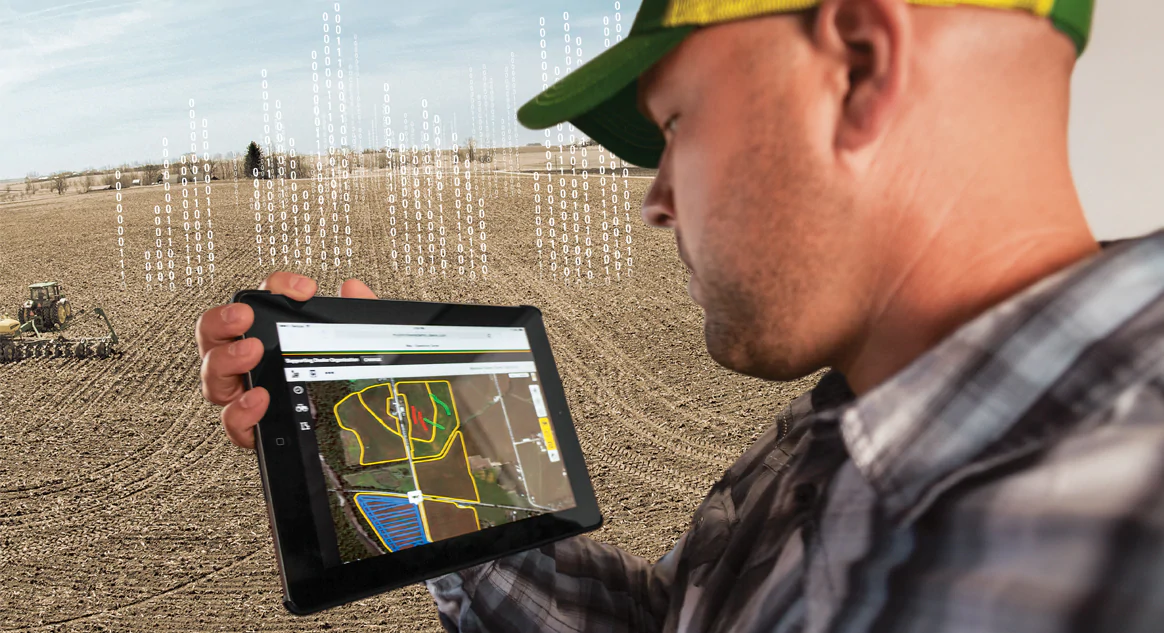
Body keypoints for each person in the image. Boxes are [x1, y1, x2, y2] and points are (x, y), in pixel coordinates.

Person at [197, 0, 1164, 630]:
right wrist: (419, 454)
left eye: (673, 125)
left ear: (862, 66)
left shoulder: (1126, 544)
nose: (655, 201)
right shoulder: (848, 423)